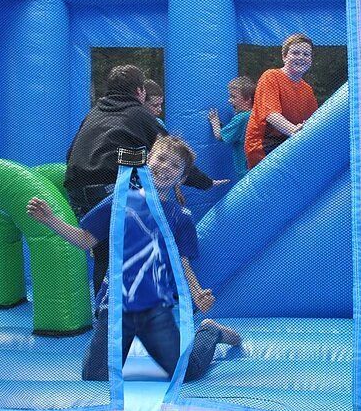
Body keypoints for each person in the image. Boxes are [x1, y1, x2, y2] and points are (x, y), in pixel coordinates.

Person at [29, 136, 241, 382]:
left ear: (182, 178)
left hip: (158, 306)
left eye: (174, 166)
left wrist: (196, 292)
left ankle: (209, 332)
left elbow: (182, 261)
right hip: (118, 302)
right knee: (94, 376)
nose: (164, 167)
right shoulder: (120, 201)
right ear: (147, 161)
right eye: (160, 159)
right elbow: (86, 239)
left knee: (185, 372)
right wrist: (50, 220)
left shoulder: (181, 216)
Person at [64, 65, 224, 291]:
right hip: (110, 186)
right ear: (140, 92)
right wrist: (205, 182)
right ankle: (123, 309)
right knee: (122, 249)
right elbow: (174, 154)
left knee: (103, 249)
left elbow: (70, 154)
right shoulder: (140, 115)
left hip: (77, 187)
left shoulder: (93, 114)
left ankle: (106, 309)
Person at [244, 34, 318, 169]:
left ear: (311, 60)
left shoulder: (307, 90)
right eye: (295, 52)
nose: (301, 57)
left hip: (289, 141)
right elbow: (271, 114)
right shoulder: (271, 77)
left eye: (306, 54)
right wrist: (295, 132)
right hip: (264, 145)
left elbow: (312, 120)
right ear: (284, 57)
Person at [208, 76, 255, 180]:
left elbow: (219, 136)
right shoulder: (254, 114)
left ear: (247, 99)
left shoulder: (241, 118)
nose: (229, 101)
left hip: (244, 169)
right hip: (253, 166)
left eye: (233, 97)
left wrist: (214, 122)